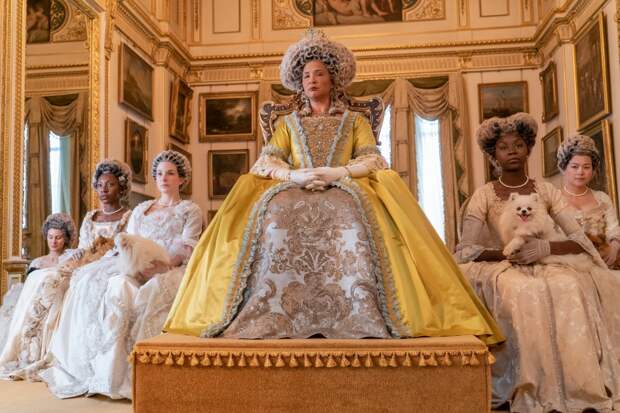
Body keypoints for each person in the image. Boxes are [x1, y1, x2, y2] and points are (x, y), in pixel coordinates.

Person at [165, 30, 501, 345]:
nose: (312, 80)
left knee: (351, 212)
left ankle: (358, 308)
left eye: (319, 74)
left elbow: (372, 159)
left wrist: (338, 172)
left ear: (333, 80)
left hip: (343, 185)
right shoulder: (288, 123)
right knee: (275, 213)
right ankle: (277, 308)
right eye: (306, 76)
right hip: (295, 186)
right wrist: (294, 176)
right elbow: (267, 161)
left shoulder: (354, 121)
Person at [455, 113, 620, 412]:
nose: (512, 151)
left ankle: (576, 387)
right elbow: (467, 249)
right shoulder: (483, 195)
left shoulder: (546, 191)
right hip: (501, 265)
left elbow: (578, 238)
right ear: (493, 155)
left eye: (518, 145)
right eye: (504, 147)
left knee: (569, 286)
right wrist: (509, 253)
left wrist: (544, 247)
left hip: (547, 261)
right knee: (525, 292)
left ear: (528, 148)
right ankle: (528, 385)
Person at [40, 150, 203, 399]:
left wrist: (159, 265)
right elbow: (128, 241)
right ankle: (98, 367)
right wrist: (131, 262)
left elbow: (187, 246)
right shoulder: (142, 209)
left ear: (182, 179)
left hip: (167, 267)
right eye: (160, 173)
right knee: (99, 282)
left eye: (170, 173)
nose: (164, 178)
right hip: (133, 264)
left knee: (139, 290)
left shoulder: (190, 210)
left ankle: (125, 373)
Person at [0, 160, 132, 380]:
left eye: (110, 185)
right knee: (44, 277)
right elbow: (83, 246)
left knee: (78, 281)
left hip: (112, 263)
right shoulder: (90, 217)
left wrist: (102, 257)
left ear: (121, 187)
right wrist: (80, 254)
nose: (103, 190)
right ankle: (32, 347)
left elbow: (126, 246)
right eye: (100, 185)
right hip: (87, 261)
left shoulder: (128, 216)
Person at [0, 213, 76, 354]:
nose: (53, 242)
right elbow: (29, 291)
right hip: (36, 306)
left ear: (65, 239)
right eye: (50, 237)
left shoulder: (70, 261)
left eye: (58, 237)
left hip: (60, 306)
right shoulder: (38, 263)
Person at [557, 134, 620, 268]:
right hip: (567, 265)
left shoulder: (602, 198)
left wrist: (614, 248)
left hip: (604, 263)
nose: (580, 172)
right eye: (574, 166)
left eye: (586, 167)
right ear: (564, 167)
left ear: (593, 169)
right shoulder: (553, 199)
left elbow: (614, 230)